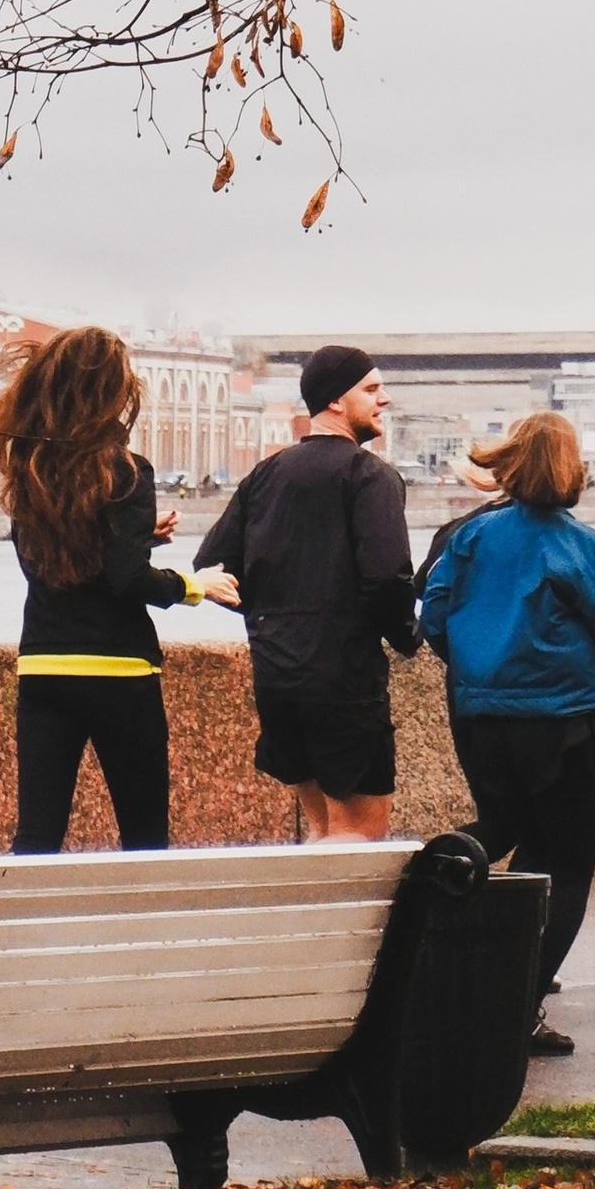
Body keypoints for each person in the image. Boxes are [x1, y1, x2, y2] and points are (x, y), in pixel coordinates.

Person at [416, 411, 595, 1054]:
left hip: (480, 722)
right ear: (571, 467)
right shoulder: (587, 550)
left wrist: (479, 669)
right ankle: (517, 1007)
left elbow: (435, 617)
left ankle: (461, 923)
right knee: (566, 870)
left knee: (515, 837)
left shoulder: (469, 538)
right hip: (560, 731)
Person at [0, 325, 233, 854]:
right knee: (143, 836)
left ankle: (18, 910)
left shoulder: (31, 468)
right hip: (119, 671)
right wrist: (195, 586)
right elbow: (127, 580)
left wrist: (135, 538)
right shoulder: (126, 471)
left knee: (37, 836)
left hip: (44, 666)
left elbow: (49, 566)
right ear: (110, 393)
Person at [197, 344, 417, 841]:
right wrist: (408, 636)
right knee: (359, 836)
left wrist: (273, 624)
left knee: (321, 830)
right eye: (372, 389)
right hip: (344, 684)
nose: (384, 399)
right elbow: (386, 578)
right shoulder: (370, 475)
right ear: (336, 401)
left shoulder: (266, 474)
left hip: (278, 681)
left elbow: (212, 570)